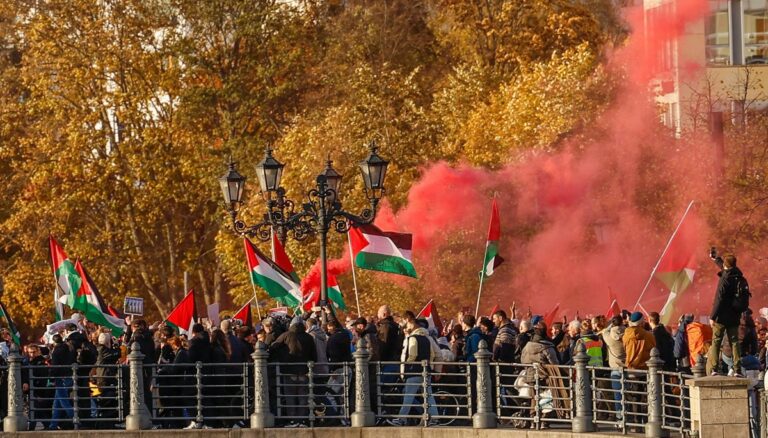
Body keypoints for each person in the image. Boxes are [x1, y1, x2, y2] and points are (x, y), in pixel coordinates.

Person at [388, 317, 439, 426]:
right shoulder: (427, 338)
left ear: (412, 325)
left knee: (408, 396)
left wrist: (407, 366)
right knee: (429, 395)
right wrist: (430, 366)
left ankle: (402, 419)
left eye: (407, 326)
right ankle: (435, 418)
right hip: (426, 370)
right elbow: (433, 354)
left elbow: (413, 355)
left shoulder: (412, 338)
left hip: (414, 371)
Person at [269, 318, 317, 427]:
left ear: (291, 325)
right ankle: (302, 420)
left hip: (288, 370)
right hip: (304, 371)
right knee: (303, 397)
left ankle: (293, 420)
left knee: (290, 396)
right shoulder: (309, 337)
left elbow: (273, 348)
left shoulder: (286, 335)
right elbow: (314, 357)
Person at [707, 252, 747, 376]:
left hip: (721, 316)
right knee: (734, 342)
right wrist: (716, 259)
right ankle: (737, 369)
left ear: (725, 265)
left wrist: (712, 316)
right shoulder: (739, 277)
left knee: (716, 341)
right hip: (734, 316)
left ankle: (714, 368)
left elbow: (719, 299)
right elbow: (726, 268)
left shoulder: (724, 279)